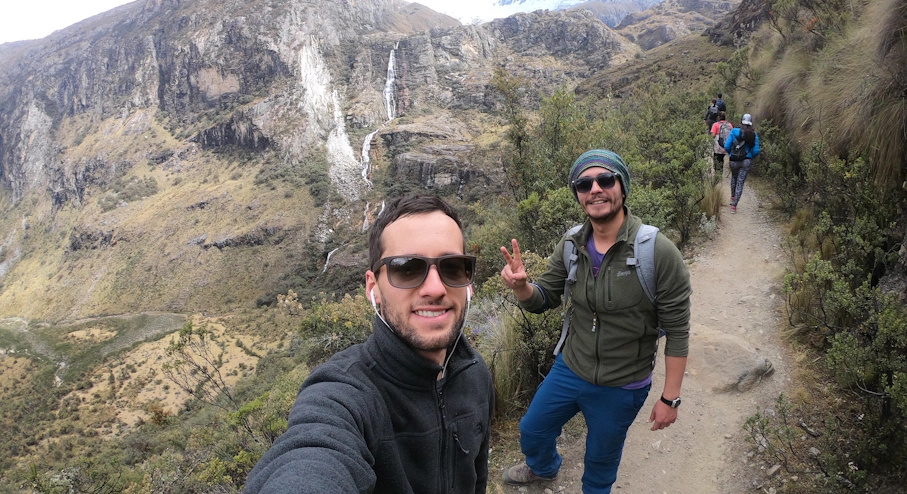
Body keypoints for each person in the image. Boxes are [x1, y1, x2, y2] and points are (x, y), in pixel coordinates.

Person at [246, 195, 495, 494]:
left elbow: (477, 478)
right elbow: (313, 457)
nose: (435, 288)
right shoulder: (344, 395)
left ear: (468, 282)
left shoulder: (476, 373)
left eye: (452, 267)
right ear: (373, 287)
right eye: (407, 268)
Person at [499, 149, 692, 493]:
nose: (595, 189)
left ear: (623, 187)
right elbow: (544, 298)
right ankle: (544, 468)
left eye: (605, 180)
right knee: (533, 430)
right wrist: (522, 287)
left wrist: (669, 399)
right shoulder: (572, 244)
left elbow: (678, 331)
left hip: (623, 384)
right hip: (571, 367)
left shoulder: (657, 251)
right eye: (584, 184)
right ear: (577, 194)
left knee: (601, 462)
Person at [724, 113, 761, 213]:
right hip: (746, 161)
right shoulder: (754, 134)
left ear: (742, 122)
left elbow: (727, 146)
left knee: (734, 177)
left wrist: (731, 154)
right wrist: (750, 156)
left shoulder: (734, 131)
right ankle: (734, 206)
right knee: (740, 182)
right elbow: (756, 150)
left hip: (734, 160)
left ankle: (732, 196)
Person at [710, 111, 733, 180]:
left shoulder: (715, 125)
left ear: (718, 117)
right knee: (722, 159)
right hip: (727, 146)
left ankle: (718, 177)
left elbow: (713, 135)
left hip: (718, 147)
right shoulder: (730, 125)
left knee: (717, 161)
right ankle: (721, 175)